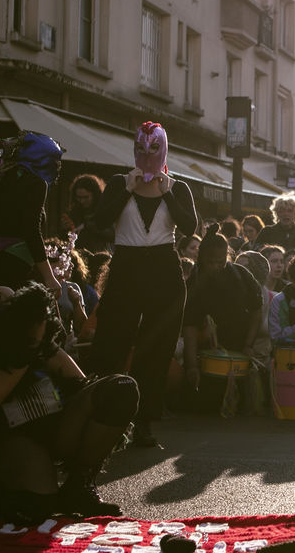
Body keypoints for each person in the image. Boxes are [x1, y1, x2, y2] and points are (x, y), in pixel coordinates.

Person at [0, 224, 138, 519]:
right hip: (1, 431)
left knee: (120, 390)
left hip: (50, 408)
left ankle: (79, 484)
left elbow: (50, 351)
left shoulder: (1, 297)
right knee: (39, 507)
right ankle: (2, 485)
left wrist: (86, 392)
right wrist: (29, 345)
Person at [88, 122, 196, 449]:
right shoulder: (119, 182)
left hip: (164, 271)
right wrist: (127, 190)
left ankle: (145, 422)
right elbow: (99, 221)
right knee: (111, 344)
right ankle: (106, 419)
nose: (147, 155)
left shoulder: (178, 186)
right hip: (126, 268)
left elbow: (190, 226)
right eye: (141, 148)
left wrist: (166, 192)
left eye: (154, 148)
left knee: (156, 351)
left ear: (164, 149)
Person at [0, 131, 65, 296]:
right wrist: (49, 277)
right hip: (21, 266)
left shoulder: (0, 179)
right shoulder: (37, 183)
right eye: (54, 162)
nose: (57, 167)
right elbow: (31, 230)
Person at [181, 225, 263, 394]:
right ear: (201, 257)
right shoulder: (194, 283)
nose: (216, 266)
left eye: (221, 262)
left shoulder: (241, 275)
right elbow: (189, 326)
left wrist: (249, 344)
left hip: (239, 347)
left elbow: (256, 310)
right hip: (207, 351)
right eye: (211, 262)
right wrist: (192, 366)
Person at [65, 174, 112, 253]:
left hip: (98, 254)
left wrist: (88, 226)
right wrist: (66, 229)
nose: (82, 201)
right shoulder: (74, 212)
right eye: (79, 197)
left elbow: (112, 234)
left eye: (86, 197)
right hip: (77, 253)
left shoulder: (104, 210)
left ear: (95, 195)